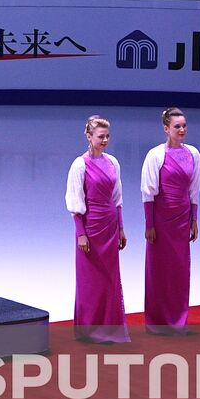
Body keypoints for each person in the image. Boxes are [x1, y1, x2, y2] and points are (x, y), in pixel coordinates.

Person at [65, 116, 129, 344]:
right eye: (100, 137)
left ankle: (109, 328)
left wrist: (121, 228)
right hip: (91, 229)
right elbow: (75, 202)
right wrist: (80, 233)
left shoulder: (113, 162)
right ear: (89, 137)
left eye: (107, 136)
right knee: (90, 281)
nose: (104, 141)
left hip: (110, 228)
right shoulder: (79, 165)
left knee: (110, 280)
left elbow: (117, 198)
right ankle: (89, 330)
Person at [140, 107, 200, 336]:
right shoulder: (156, 155)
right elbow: (148, 192)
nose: (182, 129)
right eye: (177, 126)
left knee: (179, 270)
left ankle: (178, 320)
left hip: (182, 220)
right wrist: (149, 225)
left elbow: (194, 189)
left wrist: (194, 219)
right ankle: (157, 321)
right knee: (159, 271)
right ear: (166, 129)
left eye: (184, 125)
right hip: (161, 221)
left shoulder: (193, 154)